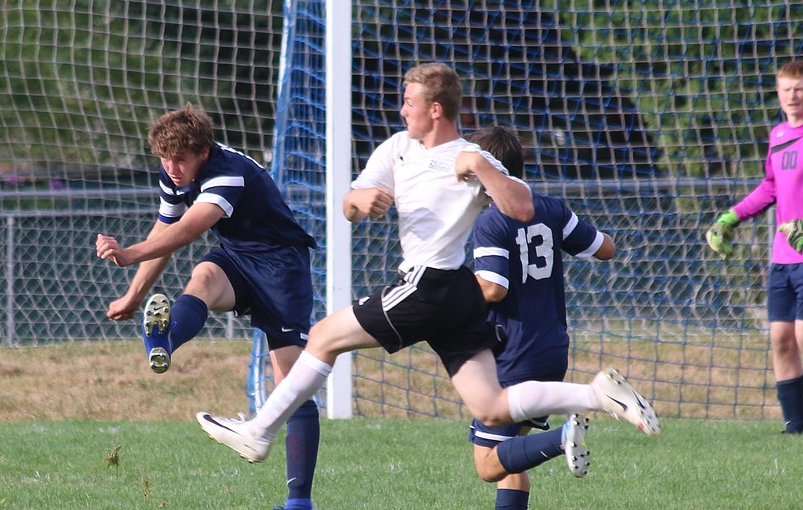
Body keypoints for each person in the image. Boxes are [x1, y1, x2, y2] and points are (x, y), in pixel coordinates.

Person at [197, 62, 659, 475]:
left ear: (436, 110)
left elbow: (521, 207)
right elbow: (349, 206)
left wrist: (480, 165)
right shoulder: (398, 148)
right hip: (455, 295)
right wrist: (359, 200)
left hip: (430, 283)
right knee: (493, 407)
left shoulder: (472, 156)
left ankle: (258, 432)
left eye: (409, 102)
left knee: (322, 338)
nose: (402, 110)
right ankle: (597, 396)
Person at [95, 103, 323, 510]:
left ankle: (299, 508)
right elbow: (166, 231)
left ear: (202, 151)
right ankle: (163, 338)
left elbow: (188, 230)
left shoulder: (228, 172)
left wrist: (128, 253)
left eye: (180, 160)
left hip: (281, 270)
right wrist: (133, 295)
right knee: (201, 278)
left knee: (291, 389)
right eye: (164, 159)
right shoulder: (175, 173)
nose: (171, 169)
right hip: (237, 259)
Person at [466, 124, 617, 510]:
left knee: (487, 464)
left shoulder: (491, 221)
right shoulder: (549, 208)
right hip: (553, 346)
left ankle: (563, 436)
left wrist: (447, 292)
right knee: (513, 447)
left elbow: (493, 288)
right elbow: (605, 248)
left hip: (513, 353)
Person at [705, 59, 803, 435]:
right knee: (780, 339)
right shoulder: (777, 135)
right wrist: (731, 217)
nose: (792, 96)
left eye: (799, 89)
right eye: (786, 89)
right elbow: (770, 188)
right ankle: (794, 430)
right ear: (778, 94)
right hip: (782, 255)